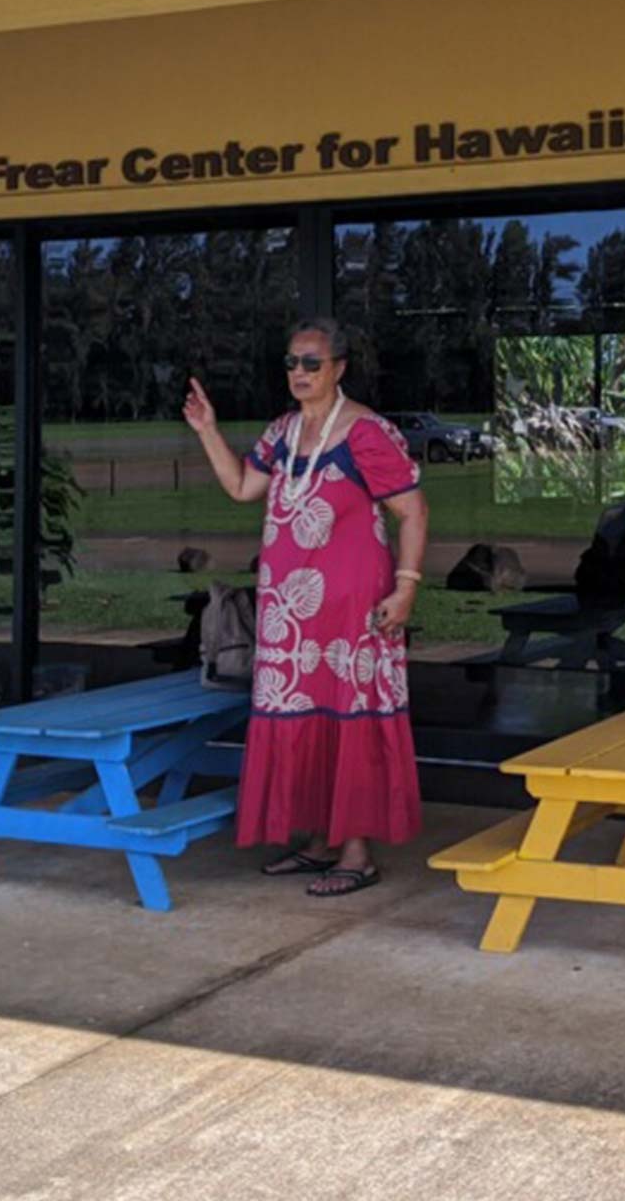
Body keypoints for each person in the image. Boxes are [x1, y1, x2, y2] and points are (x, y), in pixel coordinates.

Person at [182, 318, 430, 896]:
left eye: (311, 363)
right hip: (291, 615)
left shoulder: (366, 433)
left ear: (339, 367)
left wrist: (407, 587)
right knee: (306, 716)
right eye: (292, 362)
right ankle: (319, 843)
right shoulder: (283, 431)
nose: (299, 372)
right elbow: (245, 488)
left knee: (351, 717)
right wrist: (207, 430)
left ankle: (357, 852)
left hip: (352, 610)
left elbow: (412, 512)